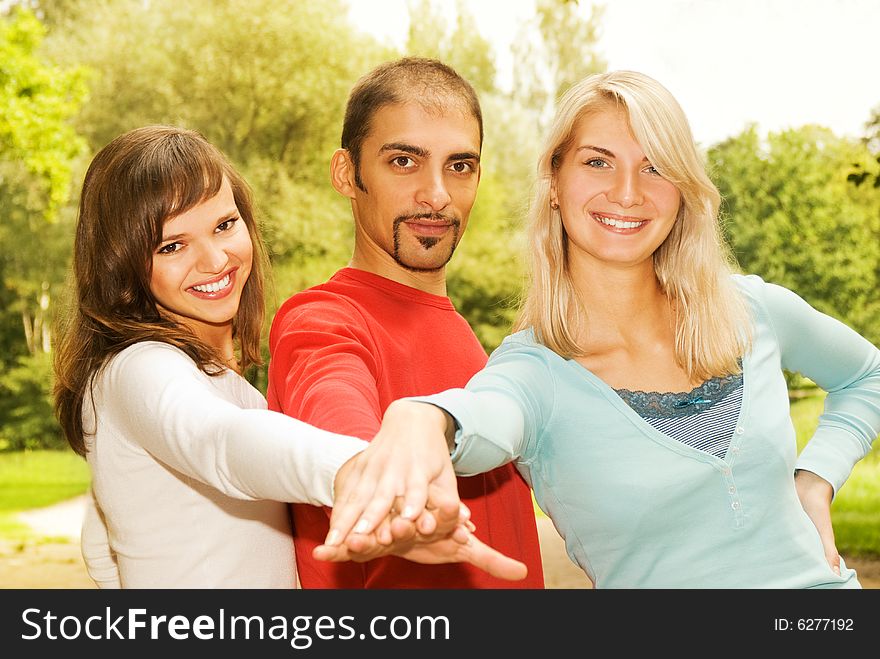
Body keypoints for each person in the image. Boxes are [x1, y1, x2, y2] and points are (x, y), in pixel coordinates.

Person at [321, 70, 880, 588]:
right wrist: (424, 417)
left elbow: (867, 375)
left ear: (683, 188)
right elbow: (482, 417)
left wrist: (818, 475)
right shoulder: (534, 371)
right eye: (597, 162)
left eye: (655, 165)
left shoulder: (751, 308)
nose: (629, 192)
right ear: (555, 183)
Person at [52, 125, 527, 588]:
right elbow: (222, 442)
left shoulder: (225, 387)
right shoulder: (138, 366)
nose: (215, 260)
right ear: (121, 262)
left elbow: (101, 544)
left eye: (224, 225)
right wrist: (363, 475)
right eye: (172, 245)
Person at [267, 57, 544, 588]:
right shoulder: (321, 318)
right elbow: (333, 401)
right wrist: (375, 478)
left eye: (459, 165)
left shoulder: (472, 344)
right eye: (404, 161)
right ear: (347, 174)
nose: (437, 194)